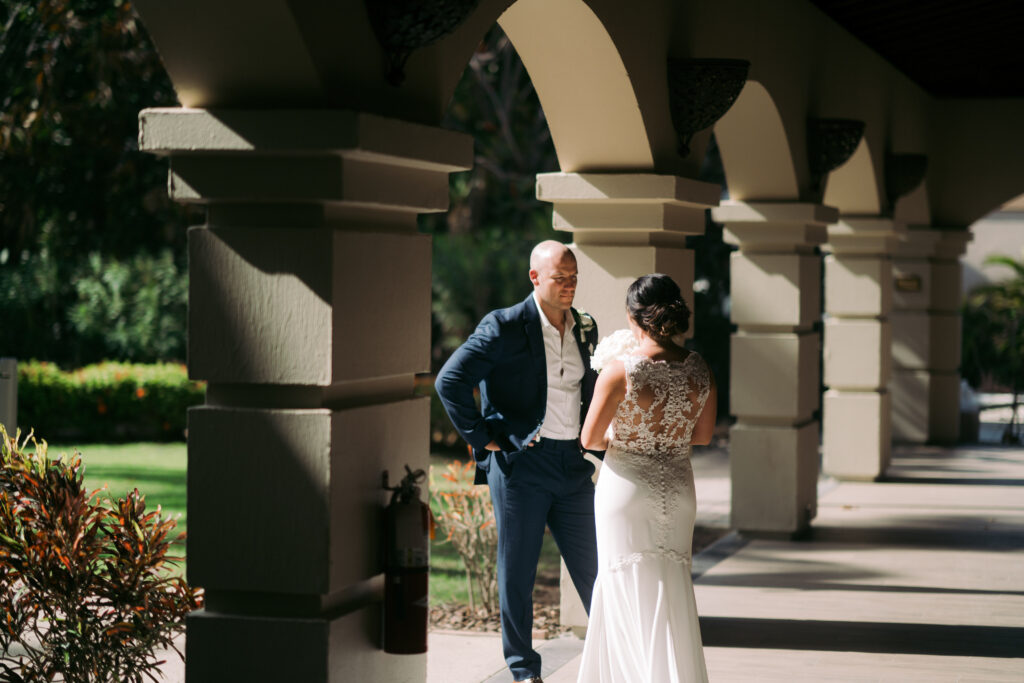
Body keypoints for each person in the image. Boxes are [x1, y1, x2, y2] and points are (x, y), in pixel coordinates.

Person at [435, 240, 601, 683]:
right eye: (559, 278)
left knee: (597, 571)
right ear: (535, 278)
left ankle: (614, 658)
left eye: (573, 278)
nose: (568, 286)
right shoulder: (504, 326)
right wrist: (484, 439)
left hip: (572, 464)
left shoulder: (586, 327)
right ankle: (524, 670)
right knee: (518, 575)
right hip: (522, 466)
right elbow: (450, 380)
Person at [576, 273, 717, 683]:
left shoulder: (621, 372)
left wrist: (629, 434)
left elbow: (589, 438)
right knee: (672, 586)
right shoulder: (698, 369)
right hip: (677, 486)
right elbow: (704, 435)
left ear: (634, 317)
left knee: (623, 587)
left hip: (627, 488)